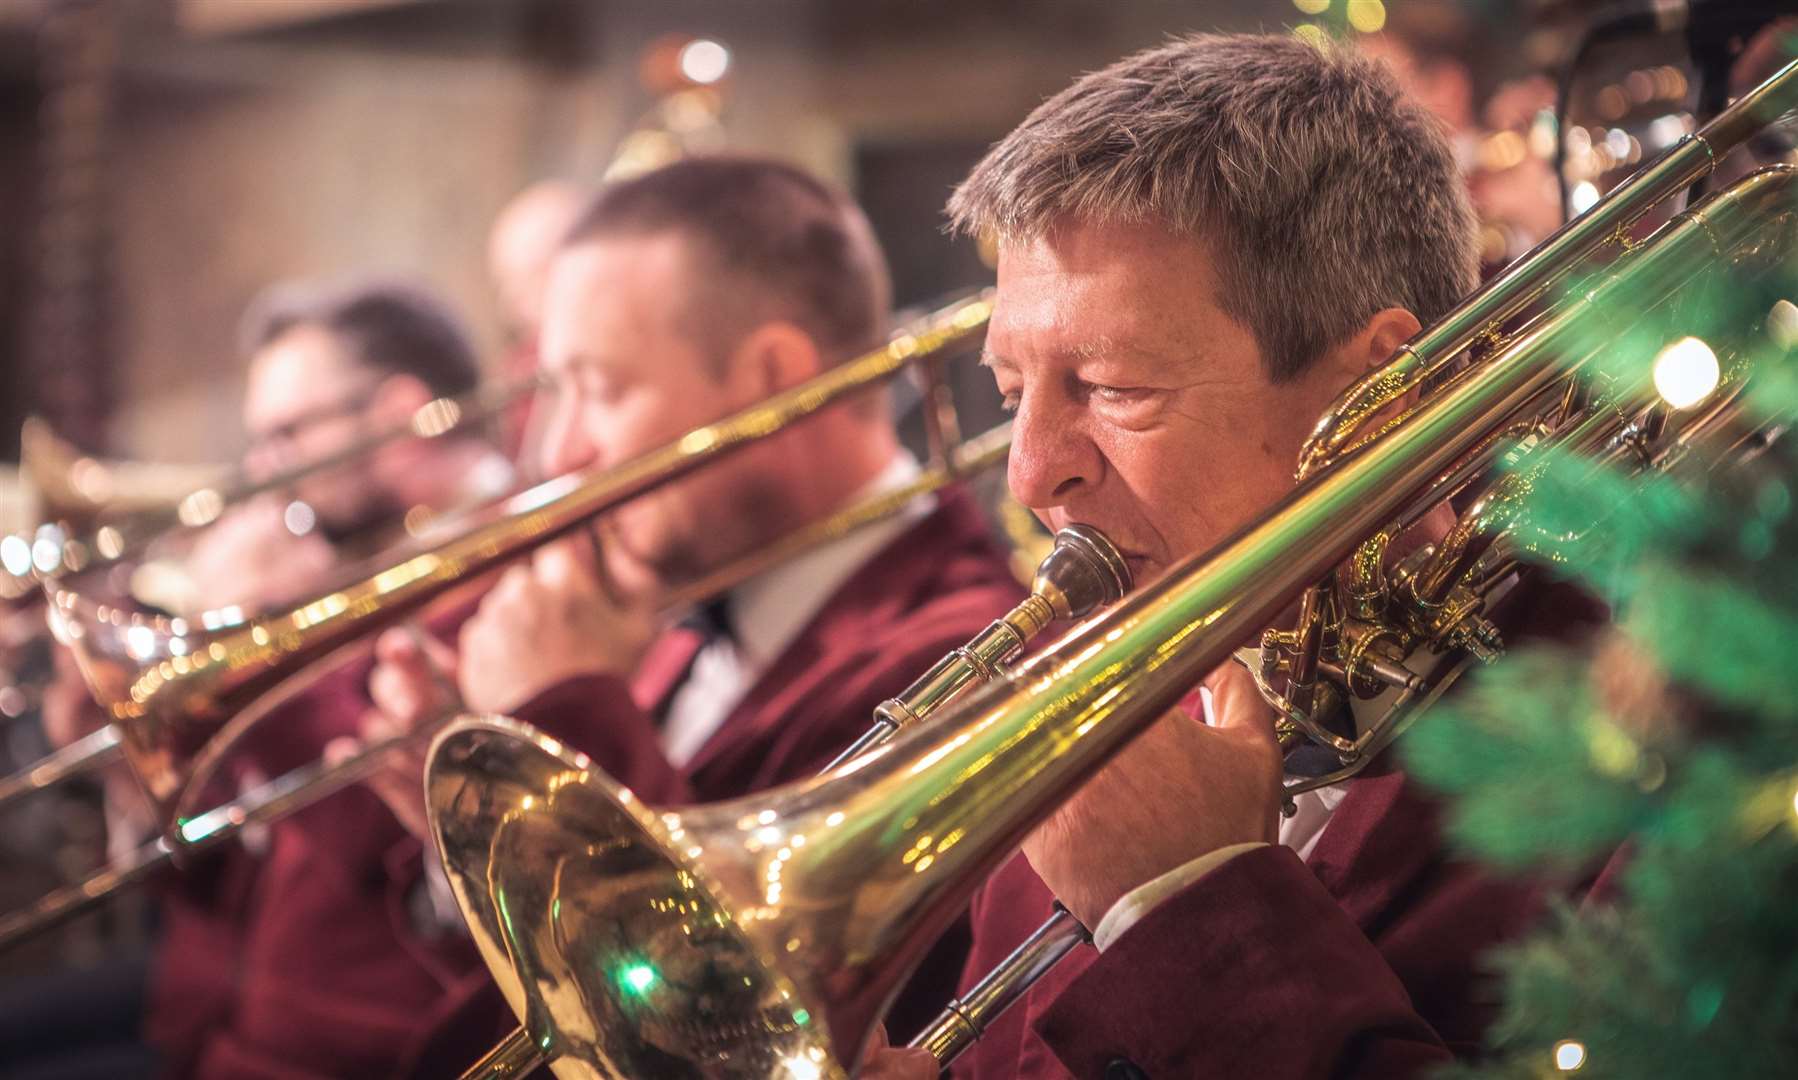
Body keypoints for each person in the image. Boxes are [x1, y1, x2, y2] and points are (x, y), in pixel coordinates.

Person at [858, 32, 1599, 1079]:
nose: (1030, 477)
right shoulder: (1100, 736)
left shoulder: (1649, 748)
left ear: (1382, 389)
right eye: (1013, 397)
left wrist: (1185, 907)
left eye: (1114, 389)